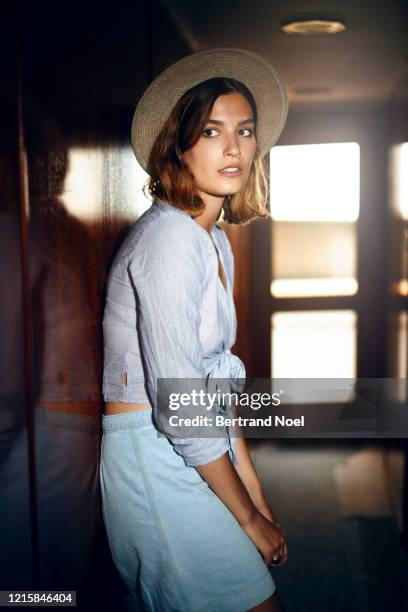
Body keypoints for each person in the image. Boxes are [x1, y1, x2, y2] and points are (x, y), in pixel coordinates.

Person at [100, 47, 289, 612]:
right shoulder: (169, 239)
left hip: (189, 443)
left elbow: (213, 383)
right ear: (177, 146)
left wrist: (254, 491)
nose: (234, 147)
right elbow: (182, 405)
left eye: (245, 130)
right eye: (211, 131)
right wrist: (248, 517)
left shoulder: (209, 237)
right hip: (157, 457)